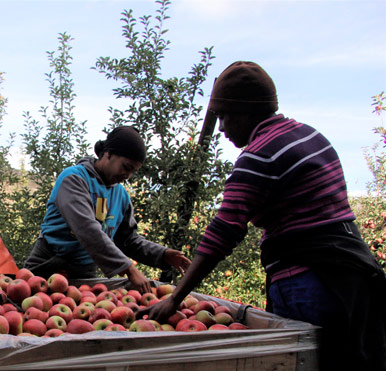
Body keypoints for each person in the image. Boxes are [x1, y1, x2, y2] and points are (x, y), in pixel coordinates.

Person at [138, 61, 386, 370]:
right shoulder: (312, 136)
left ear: (244, 111)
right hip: (355, 273)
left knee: (309, 362)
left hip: (310, 279)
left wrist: (175, 298)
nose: (222, 128)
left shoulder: (257, 156)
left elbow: (222, 233)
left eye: (225, 116)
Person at [24, 126, 191, 293]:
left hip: (84, 272)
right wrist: (128, 269)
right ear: (108, 154)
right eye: (126, 167)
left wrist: (163, 254)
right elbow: (87, 230)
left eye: (134, 171)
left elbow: (128, 240)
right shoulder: (74, 179)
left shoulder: (121, 195)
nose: (128, 176)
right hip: (48, 265)